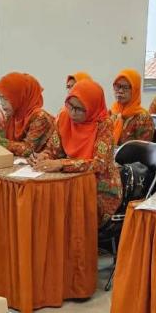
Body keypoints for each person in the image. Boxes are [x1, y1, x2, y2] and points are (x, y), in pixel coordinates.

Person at [33, 79, 123, 226]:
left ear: (92, 107)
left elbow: (98, 164)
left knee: (64, 214)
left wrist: (61, 164)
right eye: (70, 106)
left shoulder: (104, 125)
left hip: (99, 186)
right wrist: (45, 156)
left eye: (80, 109)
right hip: (71, 180)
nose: (73, 113)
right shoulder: (64, 117)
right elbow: (53, 149)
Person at [0, 72, 56, 157]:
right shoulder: (13, 116)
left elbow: (28, 150)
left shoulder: (40, 117)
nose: (2, 103)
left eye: (6, 99)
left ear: (20, 97)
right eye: (0, 98)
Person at [110, 69, 154, 145]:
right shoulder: (112, 112)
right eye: (117, 86)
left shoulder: (144, 119)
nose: (120, 91)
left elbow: (142, 149)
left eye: (125, 87)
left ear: (135, 90)